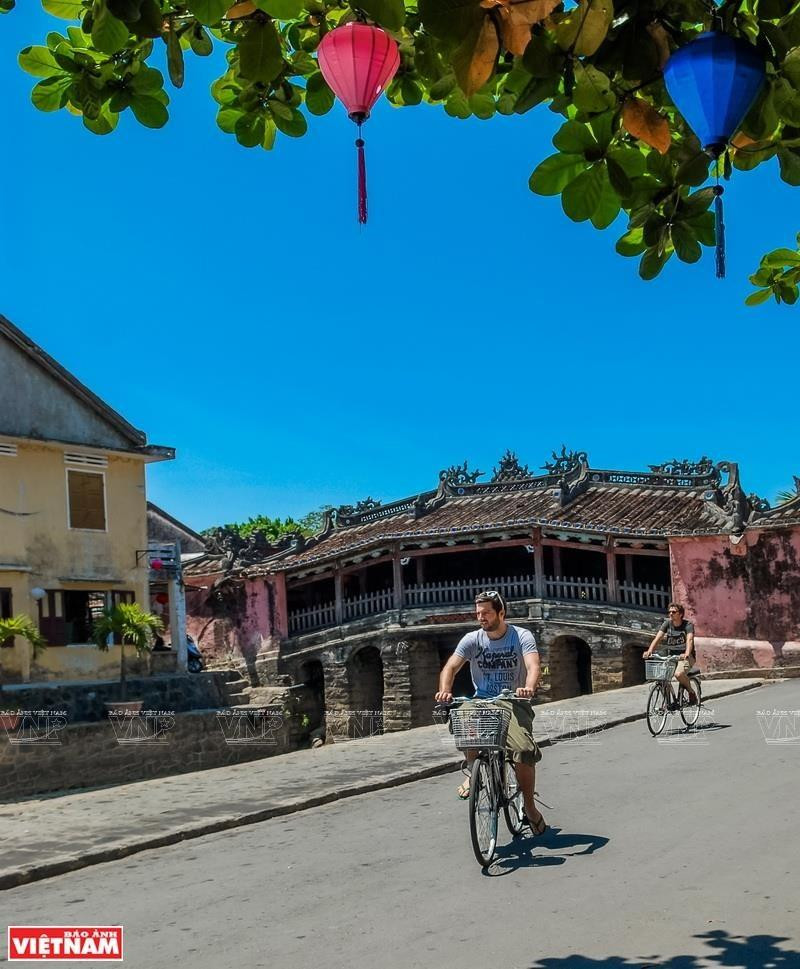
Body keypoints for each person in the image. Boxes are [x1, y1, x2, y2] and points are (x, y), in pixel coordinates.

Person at [435, 590, 547, 835]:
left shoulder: (521, 636)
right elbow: (451, 667)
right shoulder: (472, 639)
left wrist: (528, 687)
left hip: (513, 701)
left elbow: (533, 665)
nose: (481, 618)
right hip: (482, 700)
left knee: (524, 750)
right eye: (478, 613)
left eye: (486, 613)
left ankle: (529, 807)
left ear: (501, 613)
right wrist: (445, 690)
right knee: (462, 716)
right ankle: (475, 770)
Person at [643, 602, 698, 704]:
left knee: (678, 674)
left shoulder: (688, 625)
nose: (671, 614)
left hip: (686, 657)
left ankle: (691, 692)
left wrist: (686, 653)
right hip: (671, 656)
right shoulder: (667, 624)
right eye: (669, 612)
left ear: (680, 614)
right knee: (662, 677)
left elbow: (690, 640)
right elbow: (658, 638)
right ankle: (668, 702)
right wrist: (650, 650)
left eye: (674, 612)